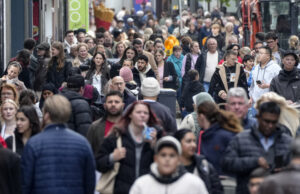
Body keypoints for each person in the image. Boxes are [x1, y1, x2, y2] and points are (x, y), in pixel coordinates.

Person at [21, 95, 95, 194]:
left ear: (46, 115)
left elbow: (25, 182)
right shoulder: (82, 143)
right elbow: (90, 182)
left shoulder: (33, 144)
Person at [222, 101, 292, 194]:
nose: (270, 126)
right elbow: (227, 164)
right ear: (258, 118)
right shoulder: (241, 139)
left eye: (273, 122)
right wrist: (254, 162)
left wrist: (284, 170)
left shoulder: (287, 142)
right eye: (266, 121)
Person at [96, 101, 161, 194]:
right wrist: (112, 157)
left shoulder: (156, 136)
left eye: (146, 113)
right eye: (138, 112)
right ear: (130, 115)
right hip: (122, 190)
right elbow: (98, 163)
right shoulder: (117, 135)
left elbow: (164, 165)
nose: (142, 115)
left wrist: (154, 145)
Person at [129, 136, 209, 194]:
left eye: (172, 155)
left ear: (179, 160)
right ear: (156, 159)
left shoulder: (194, 183)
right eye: (163, 155)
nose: (167, 159)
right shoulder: (141, 184)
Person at [197, 101, 242, 174]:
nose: (196, 118)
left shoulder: (224, 136)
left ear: (201, 116)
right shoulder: (203, 134)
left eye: (197, 115)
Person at [174, 129, 223, 194]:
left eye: (194, 141)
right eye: (188, 141)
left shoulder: (204, 165)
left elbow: (217, 189)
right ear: (178, 143)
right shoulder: (170, 167)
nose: (193, 145)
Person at [87, 91, 124, 156]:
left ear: (123, 105)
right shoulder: (95, 127)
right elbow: (89, 152)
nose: (113, 104)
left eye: (117, 102)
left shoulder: (130, 126)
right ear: (104, 106)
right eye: (110, 102)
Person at [249, 46, 281, 113]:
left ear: (268, 56)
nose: (258, 55)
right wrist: (251, 97)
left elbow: (281, 85)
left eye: (261, 53)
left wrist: (268, 85)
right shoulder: (256, 68)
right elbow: (252, 85)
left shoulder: (276, 68)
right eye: (258, 53)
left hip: (269, 103)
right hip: (255, 104)